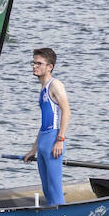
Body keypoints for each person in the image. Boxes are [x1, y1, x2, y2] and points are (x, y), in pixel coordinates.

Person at [21, 47, 71, 207]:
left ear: (50, 67)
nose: (34, 66)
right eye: (33, 63)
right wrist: (33, 149)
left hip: (53, 140)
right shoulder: (42, 88)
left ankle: (61, 214)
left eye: (39, 63)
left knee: (55, 187)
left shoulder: (55, 85)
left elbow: (67, 111)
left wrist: (60, 139)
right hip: (44, 140)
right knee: (47, 188)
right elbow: (44, 123)